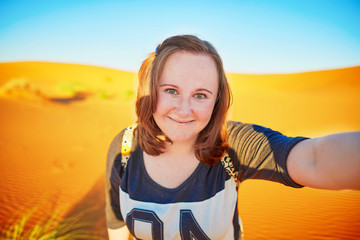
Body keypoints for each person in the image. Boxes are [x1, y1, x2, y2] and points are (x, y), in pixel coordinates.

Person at [105, 35, 360, 240]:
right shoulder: (125, 147)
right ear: (149, 91)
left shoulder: (232, 145)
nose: (184, 110)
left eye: (201, 95)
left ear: (217, 101)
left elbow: (314, 159)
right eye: (171, 90)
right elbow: (115, 216)